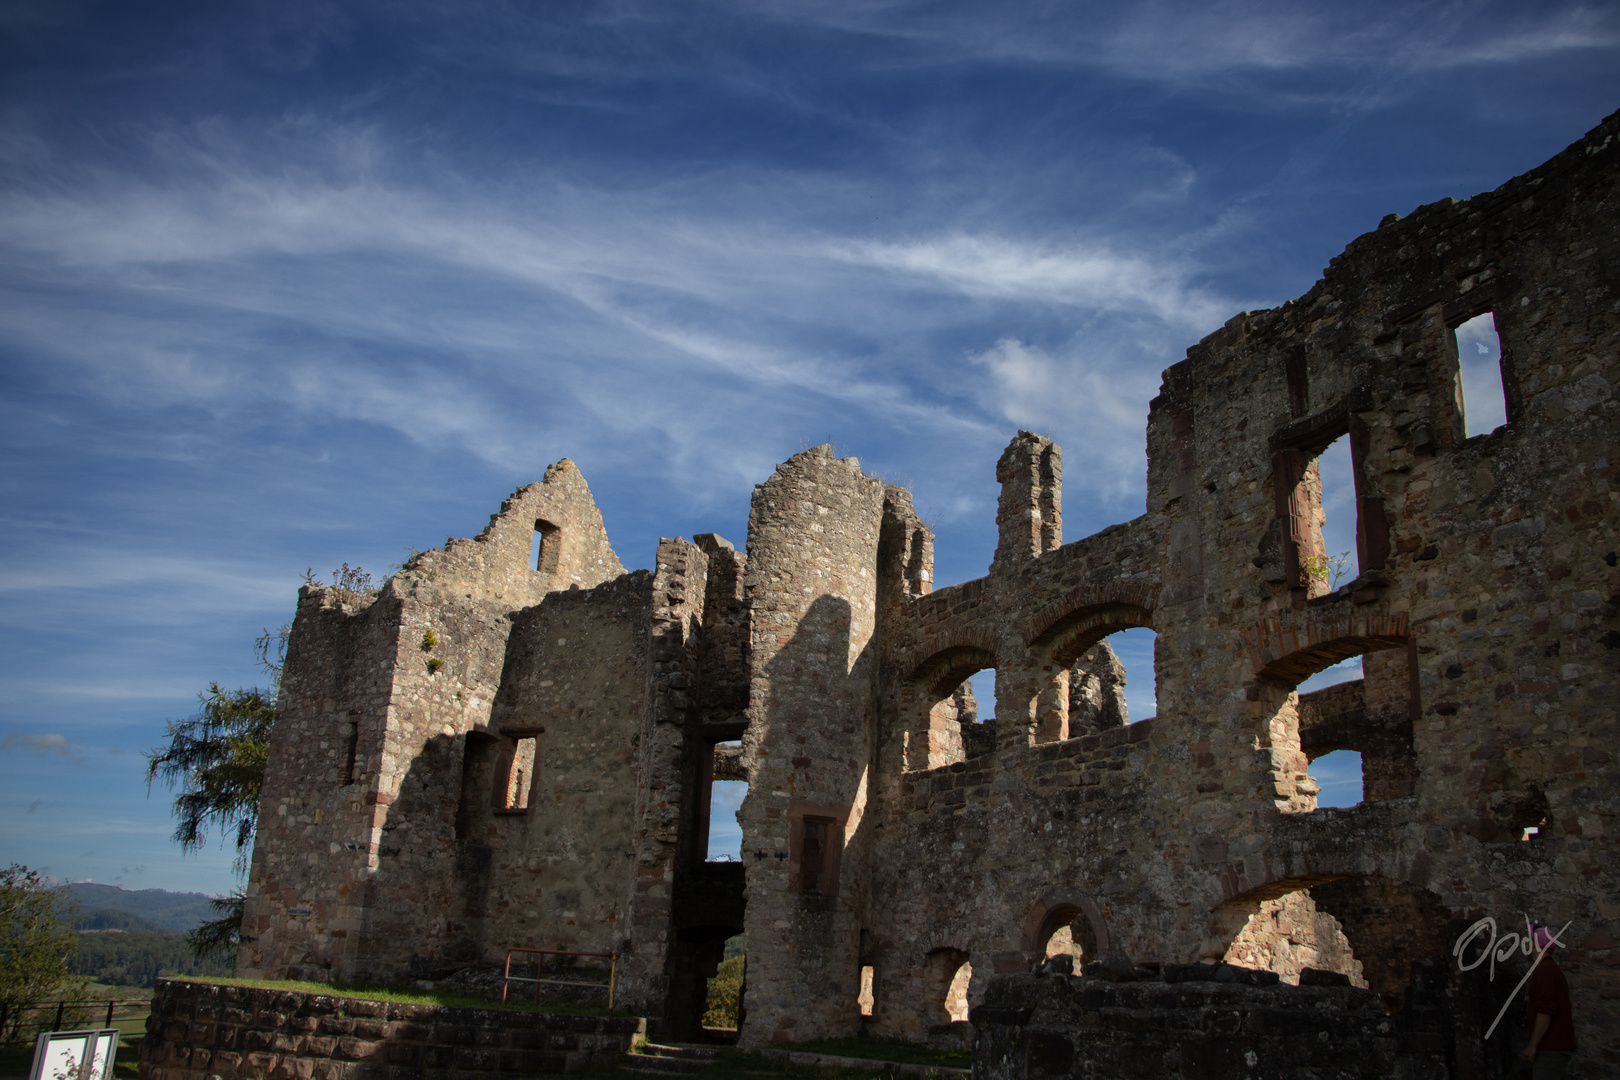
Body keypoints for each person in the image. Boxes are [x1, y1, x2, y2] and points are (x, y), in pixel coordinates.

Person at [1521, 925, 1575, 1077]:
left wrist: (1532, 1045)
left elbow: (1545, 1011)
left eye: (1529, 940)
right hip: (1553, 1047)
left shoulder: (1546, 971)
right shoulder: (1549, 969)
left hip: (1551, 1048)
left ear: (1535, 944)